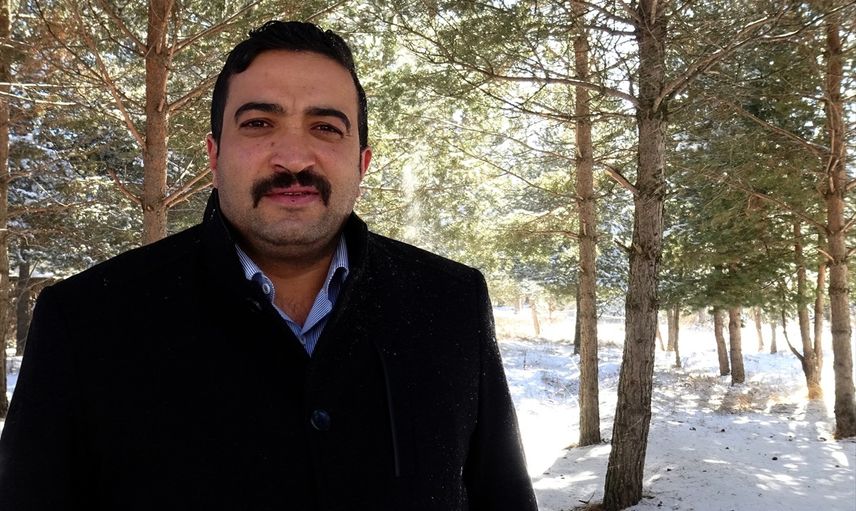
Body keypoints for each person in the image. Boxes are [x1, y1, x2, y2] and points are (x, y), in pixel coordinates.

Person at [0, 21, 537, 510]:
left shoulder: (450, 305)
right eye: (259, 123)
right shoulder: (88, 321)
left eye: (326, 127)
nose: (294, 158)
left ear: (362, 162)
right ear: (214, 156)